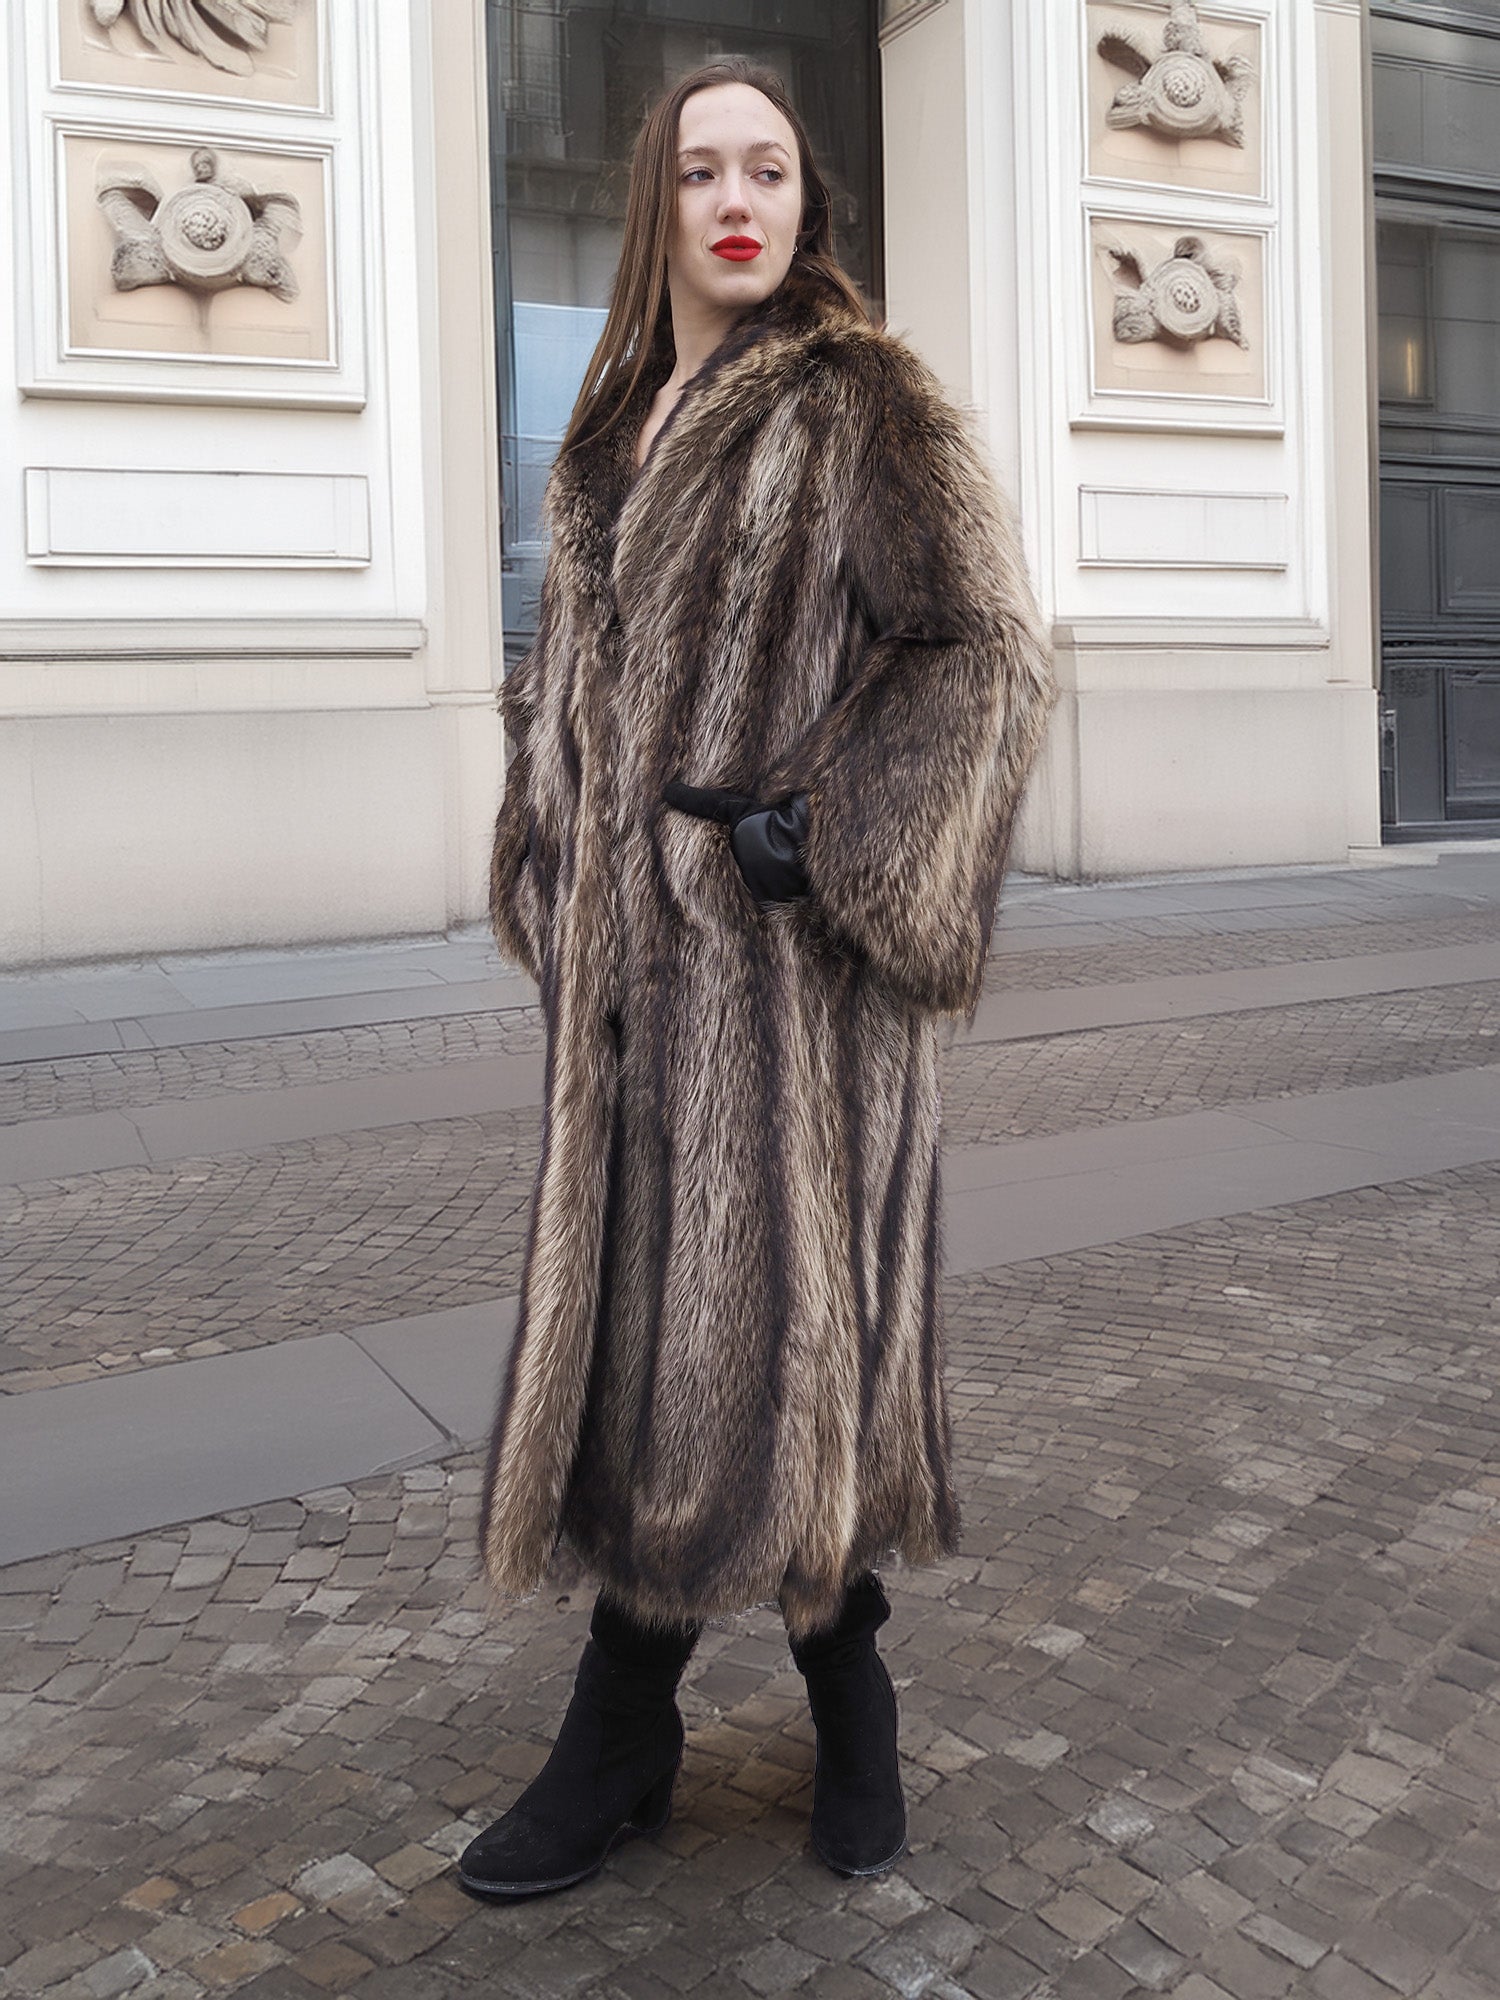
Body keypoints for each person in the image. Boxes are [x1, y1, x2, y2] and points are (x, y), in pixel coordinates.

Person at [460, 56, 1055, 1899]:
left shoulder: (862, 404)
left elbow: (985, 658)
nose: (739, 199)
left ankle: (798, 1691)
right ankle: (641, 1717)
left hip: (793, 993)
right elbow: (575, 689)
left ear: (811, 204)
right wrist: (546, 851)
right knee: (651, 1338)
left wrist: (822, 839)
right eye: (704, 171)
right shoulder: (610, 417)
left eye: (772, 171)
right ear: (661, 202)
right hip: (630, 1001)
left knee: (793, 1340)